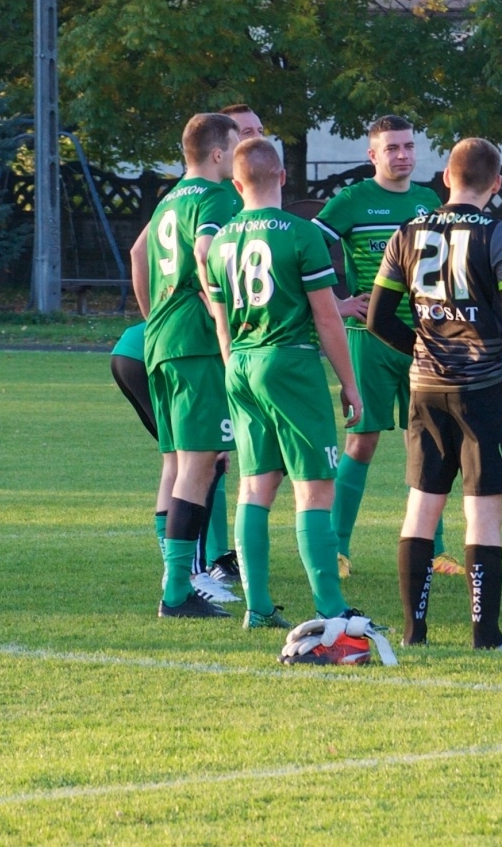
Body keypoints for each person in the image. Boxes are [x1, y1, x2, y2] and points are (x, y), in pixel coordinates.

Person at [204, 139, 385, 661]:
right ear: (281, 177)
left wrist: (235, 370)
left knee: (256, 486)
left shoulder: (217, 243)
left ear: (237, 184)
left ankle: (257, 605)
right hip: (290, 362)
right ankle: (331, 604)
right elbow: (329, 318)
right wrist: (349, 383)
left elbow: (219, 321)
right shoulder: (301, 234)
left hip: (239, 361)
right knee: (314, 489)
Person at [368, 137, 502, 651]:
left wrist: (421, 350)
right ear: (497, 184)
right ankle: (486, 636)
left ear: (446, 177)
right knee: (482, 510)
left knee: (422, 505)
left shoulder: (409, 229)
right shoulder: (498, 232)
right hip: (481, 389)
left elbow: (377, 319)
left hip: (426, 387)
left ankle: (414, 632)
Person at [312, 115, 450, 579]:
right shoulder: (352, 201)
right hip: (368, 340)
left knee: (432, 440)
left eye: (409, 145)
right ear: (373, 155)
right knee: (363, 441)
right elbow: (306, 247)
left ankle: (438, 549)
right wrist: (337, 301)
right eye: (392, 148)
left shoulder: (428, 201)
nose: (403, 155)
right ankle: (338, 546)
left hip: (423, 340)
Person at [128, 112, 242, 619]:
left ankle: (177, 583)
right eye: (236, 146)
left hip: (160, 342)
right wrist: (223, 323)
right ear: (218, 154)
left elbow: (137, 252)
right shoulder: (218, 196)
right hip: (196, 344)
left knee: (176, 464)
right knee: (200, 465)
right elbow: (204, 254)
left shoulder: (170, 197)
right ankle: (177, 592)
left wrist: (156, 317)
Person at [110, 322, 238, 604]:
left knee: (177, 462)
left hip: (135, 346)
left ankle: (179, 570)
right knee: (202, 462)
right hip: (176, 353)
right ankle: (194, 574)